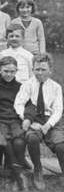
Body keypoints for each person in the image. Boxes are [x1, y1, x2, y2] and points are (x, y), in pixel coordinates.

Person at [14, 53, 64, 189]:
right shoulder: (28, 85)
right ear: (33, 69)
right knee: (32, 138)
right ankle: (38, 169)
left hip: (51, 120)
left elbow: (58, 110)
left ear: (50, 70)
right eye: (37, 69)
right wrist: (25, 119)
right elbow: (18, 103)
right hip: (34, 118)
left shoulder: (56, 87)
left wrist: (48, 125)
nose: (40, 73)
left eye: (43, 69)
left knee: (61, 145)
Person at [0, 56, 28, 191]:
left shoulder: (20, 87)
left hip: (15, 119)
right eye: (6, 71)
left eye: (12, 71)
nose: (9, 74)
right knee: (5, 141)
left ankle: (13, 170)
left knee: (18, 142)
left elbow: (24, 105)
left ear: (16, 71)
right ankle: (19, 176)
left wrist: (23, 118)